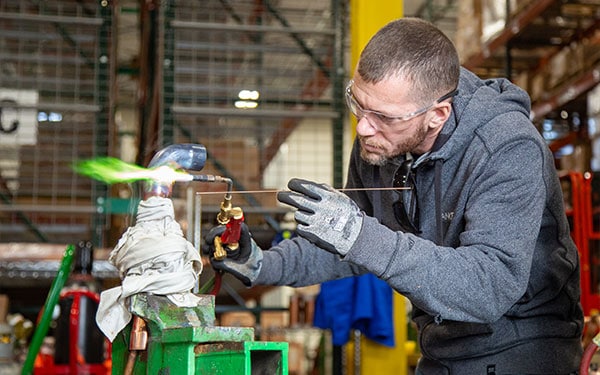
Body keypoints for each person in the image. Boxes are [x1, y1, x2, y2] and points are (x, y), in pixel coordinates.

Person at [203, 17, 583, 374]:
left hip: (523, 350)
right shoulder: (381, 142)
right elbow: (352, 242)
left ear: (438, 114)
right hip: (440, 346)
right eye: (358, 104)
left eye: (383, 116)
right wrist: (261, 264)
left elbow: (488, 287)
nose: (364, 127)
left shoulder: (506, 148)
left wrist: (359, 234)